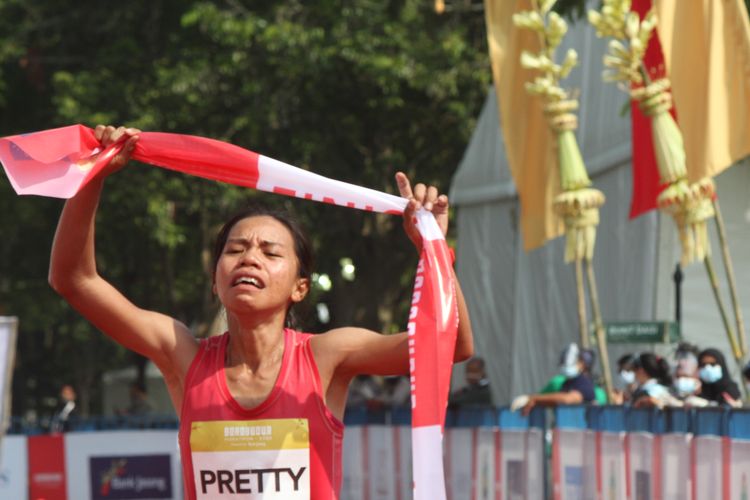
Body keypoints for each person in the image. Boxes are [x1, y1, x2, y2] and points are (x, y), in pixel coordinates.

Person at [47, 125, 474, 500]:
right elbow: (74, 279)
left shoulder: (328, 356)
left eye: (270, 252)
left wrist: (432, 249)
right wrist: (93, 176)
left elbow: (451, 345)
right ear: (215, 279)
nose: (249, 258)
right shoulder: (184, 356)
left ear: (300, 287)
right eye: (234, 250)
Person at [511, 343, 597, 415]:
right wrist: (534, 402)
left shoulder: (585, 383)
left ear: (583, 364)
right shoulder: (567, 383)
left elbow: (567, 399)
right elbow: (556, 402)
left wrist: (533, 398)